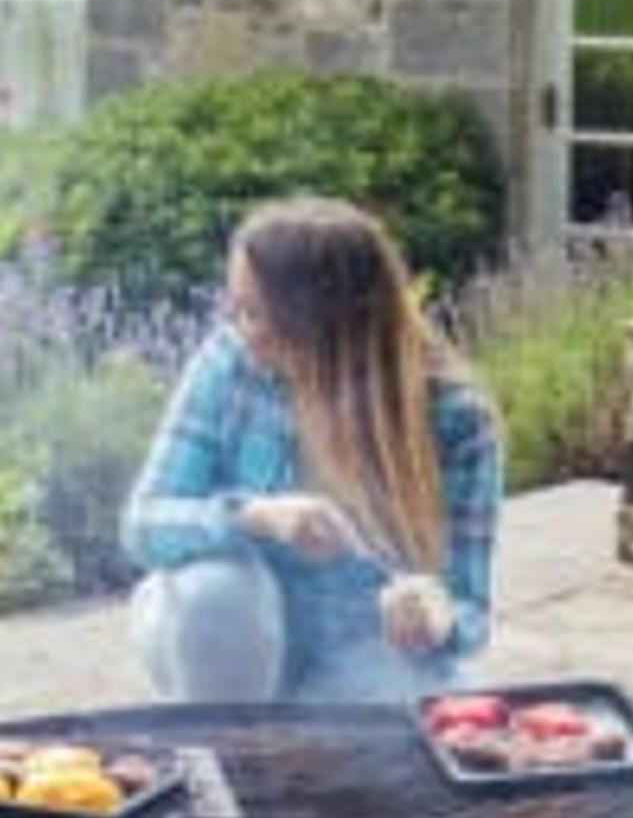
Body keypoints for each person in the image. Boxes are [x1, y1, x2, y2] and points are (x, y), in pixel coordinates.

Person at [120, 197, 504, 704]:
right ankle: (223, 752)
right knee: (219, 595)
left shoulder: (458, 417)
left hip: (354, 647)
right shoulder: (229, 364)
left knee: (415, 724)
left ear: (325, 320)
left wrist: (437, 616)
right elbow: (143, 524)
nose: (241, 331)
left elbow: (469, 607)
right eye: (236, 308)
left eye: (256, 313)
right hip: (220, 633)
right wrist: (255, 516)